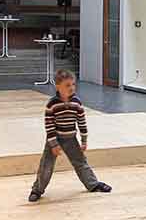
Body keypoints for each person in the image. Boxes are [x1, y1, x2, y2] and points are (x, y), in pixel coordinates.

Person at [28, 69, 112, 202]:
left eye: (73, 84)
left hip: (71, 138)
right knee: (46, 165)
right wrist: (54, 144)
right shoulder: (52, 104)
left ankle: (93, 184)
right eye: (67, 85)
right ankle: (37, 190)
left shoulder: (77, 103)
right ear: (58, 86)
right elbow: (49, 126)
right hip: (55, 138)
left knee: (80, 162)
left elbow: (81, 122)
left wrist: (84, 140)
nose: (71, 88)